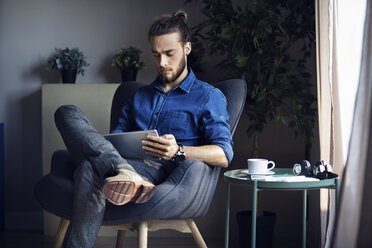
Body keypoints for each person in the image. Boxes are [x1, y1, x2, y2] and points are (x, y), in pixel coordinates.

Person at [54, 10, 233, 247]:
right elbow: (114, 139)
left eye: (170, 54)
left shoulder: (208, 96)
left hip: (160, 173)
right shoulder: (139, 96)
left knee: (88, 167)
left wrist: (179, 150)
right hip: (121, 163)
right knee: (66, 112)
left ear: (187, 48)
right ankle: (120, 169)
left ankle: (119, 170)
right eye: (156, 55)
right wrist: (115, 155)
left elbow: (224, 154)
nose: (162, 63)